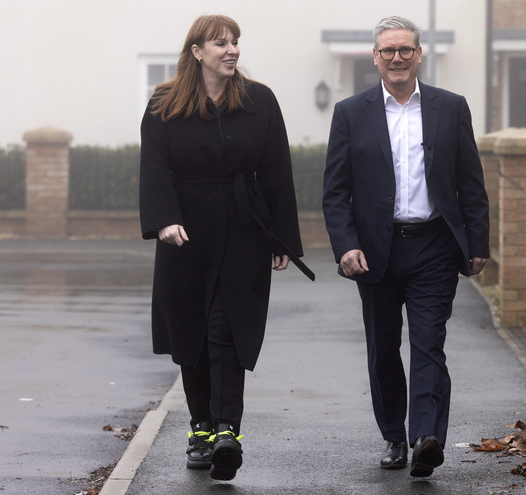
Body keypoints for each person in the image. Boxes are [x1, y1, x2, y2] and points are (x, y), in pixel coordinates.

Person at [138, 14, 312, 481]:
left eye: (235, 42)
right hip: (186, 231)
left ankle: (227, 431)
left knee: (227, 329)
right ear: (197, 51)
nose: (232, 50)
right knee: (191, 332)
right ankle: (200, 429)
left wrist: (284, 239)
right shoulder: (164, 102)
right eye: (220, 43)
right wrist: (164, 220)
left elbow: (277, 172)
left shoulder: (260, 100)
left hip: (244, 225)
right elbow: (153, 167)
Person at [322, 16, 489, 478]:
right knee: (383, 347)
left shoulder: (449, 108)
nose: (397, 58)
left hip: (434, 244)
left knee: (429, 343)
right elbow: (336, 191)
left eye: (406, 50)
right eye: (388, 51)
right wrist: (345, 245)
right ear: (375, 57)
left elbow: (470, 184)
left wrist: (478, 243)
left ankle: (426, 438)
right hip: (375, 250)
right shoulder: (350, 113)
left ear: (419, 55)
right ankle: (395, 435)